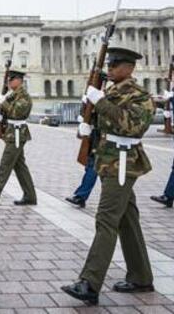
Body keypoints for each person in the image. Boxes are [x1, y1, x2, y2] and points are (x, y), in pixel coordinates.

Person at [62, 47, 155, 305]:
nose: (110, 69)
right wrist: (87, 125)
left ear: (129, 68)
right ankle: (141, 276)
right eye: (110, 65)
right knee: (127, 219)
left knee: (106, 220)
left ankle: (89, 283)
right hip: (108, 162)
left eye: (116, 65)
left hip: (124, 164)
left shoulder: (139, 95)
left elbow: (131, 125)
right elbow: (105, 122)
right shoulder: (111, 91)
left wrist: (98, 100)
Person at [0, 70, 36, 207]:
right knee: (20, 167)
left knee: (5, 167)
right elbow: (5, 110)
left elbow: (16, 113)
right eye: (8, 80)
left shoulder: (24, 96)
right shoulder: (13, 95)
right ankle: (30, 196)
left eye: (12, 79)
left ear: (19, 80)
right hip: (11, 134)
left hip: (17, 134)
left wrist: (3, 102)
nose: (9, 82)